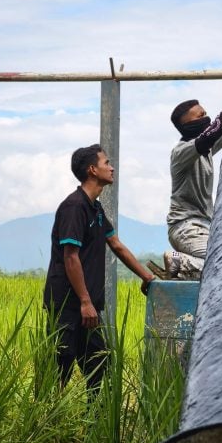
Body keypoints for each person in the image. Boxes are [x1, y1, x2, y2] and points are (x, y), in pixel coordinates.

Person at [43, 144, 155, 396]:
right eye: (107, 163)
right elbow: (70, 257)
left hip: (88, 305)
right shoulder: (74, 207)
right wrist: (84, 301)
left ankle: (94, 423)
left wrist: (147, 276)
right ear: (92, 170)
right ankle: (47, 421)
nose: (112, 167)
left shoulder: (95, 207)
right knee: (60, 365)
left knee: (98, 363)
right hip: (68, 304)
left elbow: (116, 245)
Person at [164, 86, 222, 279]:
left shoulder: (206, 150)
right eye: (200, 116)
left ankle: (181, 267)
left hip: (204, 225)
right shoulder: (182, 151)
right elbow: (210, 135)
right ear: (187, 125)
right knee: (221, 263)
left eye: (205, 113)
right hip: (185, 226)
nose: (206, 118)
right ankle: (177, 261)